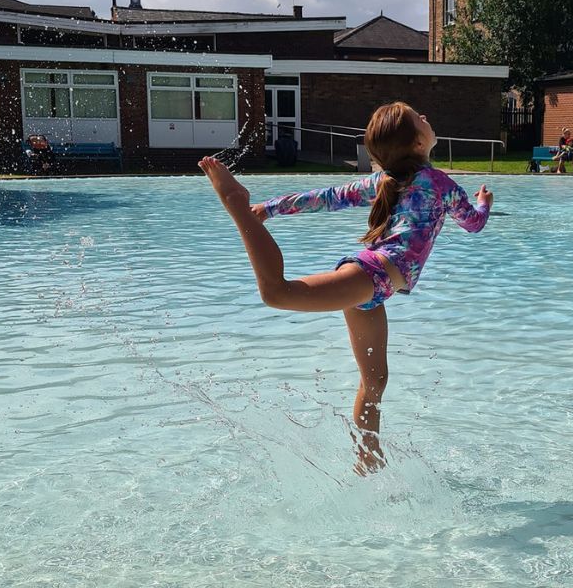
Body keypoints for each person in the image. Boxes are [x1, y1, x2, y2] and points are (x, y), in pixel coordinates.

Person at [198, 102, 493, 474]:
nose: (427, 118)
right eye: (421, 117)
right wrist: (482, 204)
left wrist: (272, 208)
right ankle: (235, 203)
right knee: (277, 293)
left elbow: (326, 198)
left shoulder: (390, 180)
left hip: (375, 289)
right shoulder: (438, 184)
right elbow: (473, 224)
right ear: (418, 141)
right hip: (373, 274)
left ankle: (366, 457)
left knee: (375, 380)